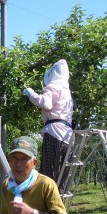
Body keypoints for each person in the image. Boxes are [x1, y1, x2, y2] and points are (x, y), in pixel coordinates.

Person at [23, 59, 74, 194]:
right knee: (61, 171)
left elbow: (46, 103)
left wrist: (31, 94)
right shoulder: (67, 91)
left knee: (48, 170)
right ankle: (59, 201)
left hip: (54, 132)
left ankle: (47, 202)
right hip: (67, 135)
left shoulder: (53, 87)